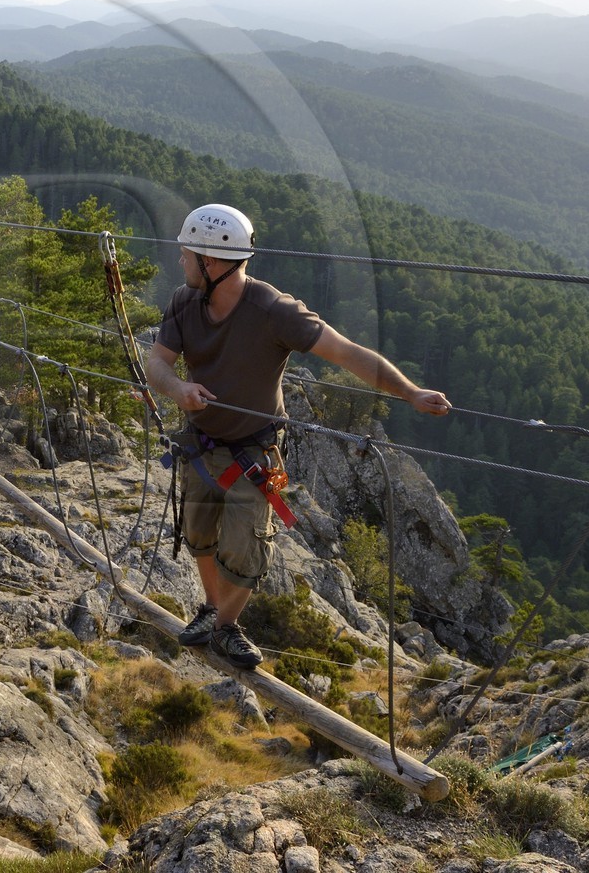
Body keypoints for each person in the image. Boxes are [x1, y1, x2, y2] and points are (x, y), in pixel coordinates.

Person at [144, 203, 451, 668]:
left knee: (245, 549)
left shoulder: (274, 311)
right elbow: (157, 365)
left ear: (210, 263)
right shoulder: (184, 302)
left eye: (187, 255)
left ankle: (225, 626)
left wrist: (409, 392)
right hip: (202, 442)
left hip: (254, 451)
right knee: (199, 535)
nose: (180, 262)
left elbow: (346, 352)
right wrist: (179, 388)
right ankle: (212, 610)